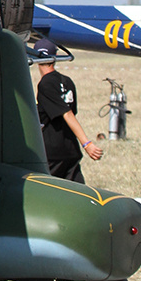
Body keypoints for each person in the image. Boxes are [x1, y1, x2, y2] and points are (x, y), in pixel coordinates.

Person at [32, 37, 102, 183]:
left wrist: (86, 144)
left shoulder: (45, 84)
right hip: (70, 149)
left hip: (53, 153)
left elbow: (68, 114)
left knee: (50, 192)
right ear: (55, 56)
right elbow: (72, 112)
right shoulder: (66, 80)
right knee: (77, 192)